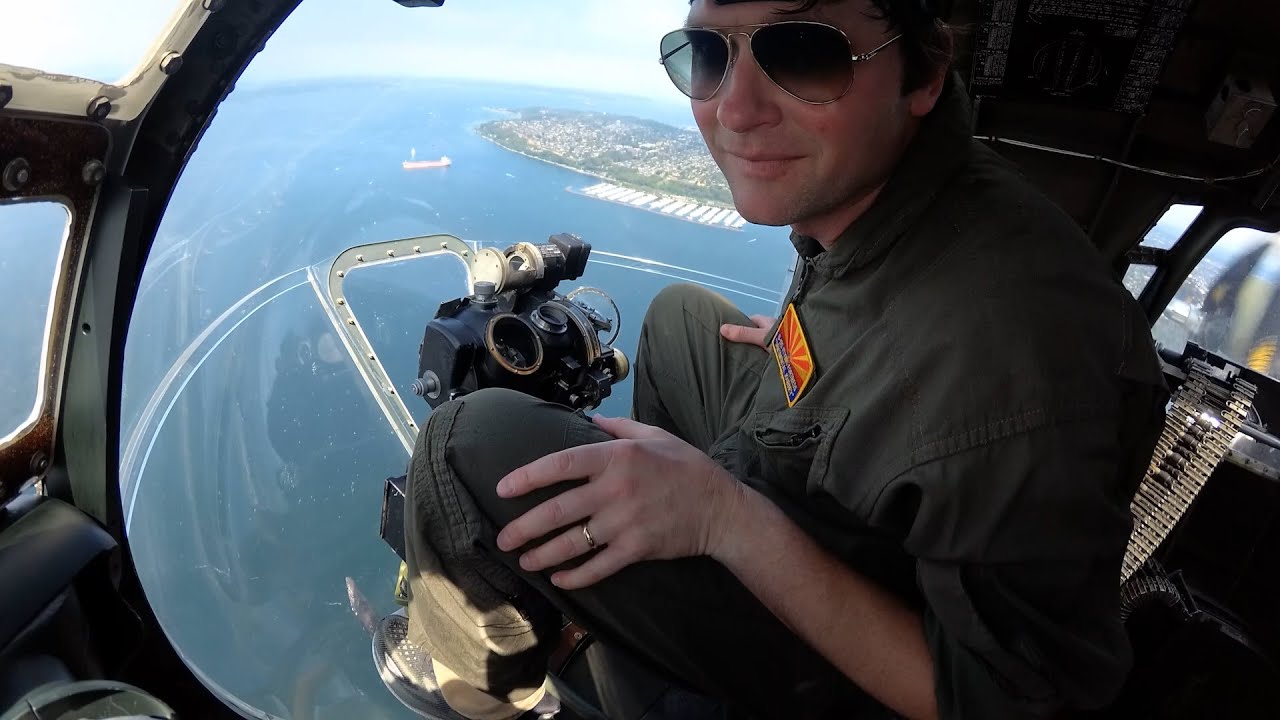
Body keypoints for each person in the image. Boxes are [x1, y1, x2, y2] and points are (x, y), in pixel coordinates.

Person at [378, 1, 1171, 718]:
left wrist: (726, 519)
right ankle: (649, 598)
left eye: (803, 51)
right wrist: (823, 349)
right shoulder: (906, 202)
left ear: (923, 72)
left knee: (463, 443)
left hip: (862, 667)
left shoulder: (1008, 358)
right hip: (840, 496)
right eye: (707, 53)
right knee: (686, 320)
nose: (736, 108)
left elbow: (1011, 705)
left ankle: (496, 689)